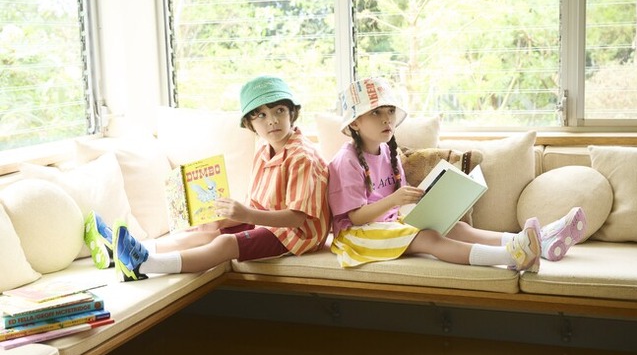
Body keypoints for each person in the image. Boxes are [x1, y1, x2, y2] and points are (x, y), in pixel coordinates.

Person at [85, 75, 331, 281]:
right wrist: (224, 218)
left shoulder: (302, 157)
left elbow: (296, 218)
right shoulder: (263, 148)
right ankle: (122, 251)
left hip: (298, 234)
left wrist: (246, 215)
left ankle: (143, 265)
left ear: (292, 113)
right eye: (261, 115)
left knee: (225, 244)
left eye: (280, 111)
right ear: (250, 123)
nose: (273, 120)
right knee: (208, 231)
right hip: (270, 222)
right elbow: (261, 204)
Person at [327, 76, 586, 271]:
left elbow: (398, 208)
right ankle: (514, 256)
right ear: (355, 122)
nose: (387, 119)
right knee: (430, 238)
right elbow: (356, 218)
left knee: (455, 226)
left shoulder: (389, 152)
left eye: (390, 111)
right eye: (376, 112)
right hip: (356, 236)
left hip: (389, 223)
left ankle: (539, 241)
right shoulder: (346, 161)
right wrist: (395, 200)